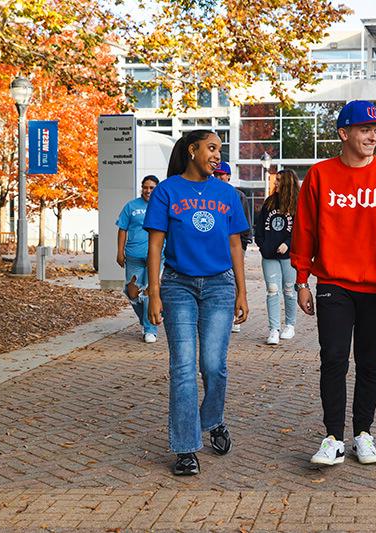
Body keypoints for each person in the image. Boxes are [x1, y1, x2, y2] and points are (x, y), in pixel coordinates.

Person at [291, 100, 376, 466]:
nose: (373, 135)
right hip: (334, 282)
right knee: (333, 359)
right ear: (344, 133)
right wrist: (301, 280)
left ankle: (363, 433)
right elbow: (304, 232)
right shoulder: (319, 176)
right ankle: (332, 437)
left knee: (370, 362)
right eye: (365, 129)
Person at [144, 130, 250, 476]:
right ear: (192, 151)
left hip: (220, 285)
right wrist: (154, 294)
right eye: (212, 148)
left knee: (213, 365)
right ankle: (186, 448)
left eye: (220, 149)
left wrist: (242, 292)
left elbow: (236, 245)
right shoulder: (167, 191)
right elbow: (156, 246)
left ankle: (213, 420)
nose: (218, 155)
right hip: (178, 286)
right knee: (183, 367)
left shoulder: (228, 193)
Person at [255, 168, 300, 345]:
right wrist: (263, 245)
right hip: (269, 256)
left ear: (288, 183)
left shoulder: (297, 204)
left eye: (279, 180)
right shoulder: (269, 202)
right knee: (273, 291)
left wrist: (287, 243)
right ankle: (274, 329)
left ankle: (290, 325)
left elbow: (301, 230)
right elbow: (259, 228)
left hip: (289, 256)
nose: (276, 183)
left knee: (289, 290)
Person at [116, 175, 160, 343]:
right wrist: (120, 251)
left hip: (155, 257)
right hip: (134, 255)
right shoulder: (131, 206)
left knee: (150, 291)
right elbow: (122, 229)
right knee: (132, 292)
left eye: (152, 188)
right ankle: (145, 319)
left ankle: (150, 329)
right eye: (145, 187)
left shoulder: (162, 206)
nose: (148, 190)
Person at [213, 161, 252, 333]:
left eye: (222, 174)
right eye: (216, 174)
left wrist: (243, 245)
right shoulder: (210, 194)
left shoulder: (237, 195)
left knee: (234, 279)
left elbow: (245, 223)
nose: (219, 177)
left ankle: (235, 315)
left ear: (228, 176)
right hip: (216, 244)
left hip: (235, 244)